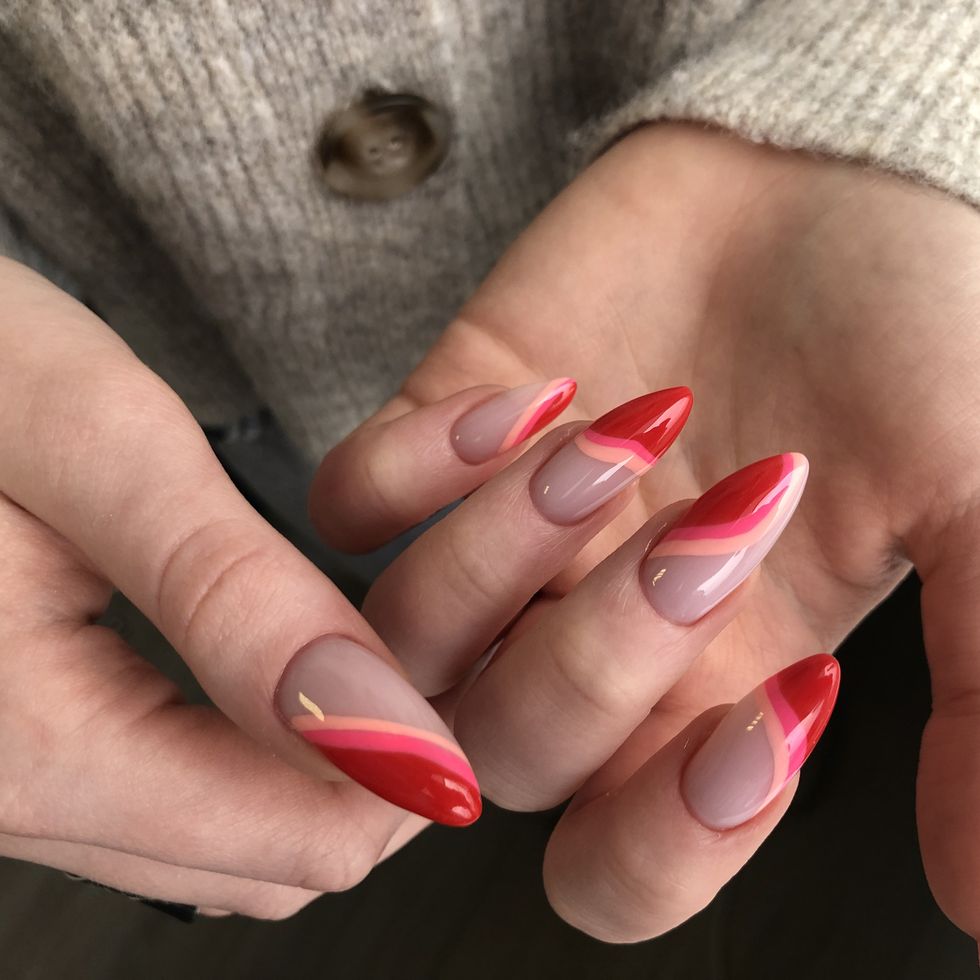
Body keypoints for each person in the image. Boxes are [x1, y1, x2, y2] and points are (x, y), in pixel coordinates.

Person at [1, 0, 979, 961]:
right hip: (190, 382)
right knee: (451, 639)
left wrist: (900, 86)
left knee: (622, 687)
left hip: (768, 150)